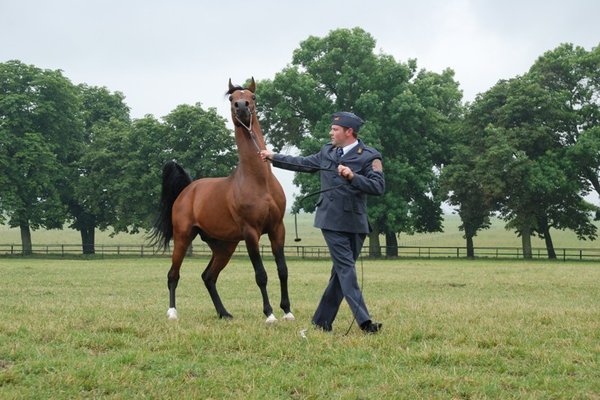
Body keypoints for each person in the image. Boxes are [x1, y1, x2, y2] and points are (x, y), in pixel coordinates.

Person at [259, 111, 385, 334]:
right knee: (347, 269)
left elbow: (378, 187)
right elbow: (303, 163)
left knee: (340, 274)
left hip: (356, 224)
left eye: (335, 130)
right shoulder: (327, 151)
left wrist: (352, 176)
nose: (331, 132)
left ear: (349, 132)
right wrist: (274, 157)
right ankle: (365, 323)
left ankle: (321, 322)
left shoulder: (369, 156)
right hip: (331, 220)